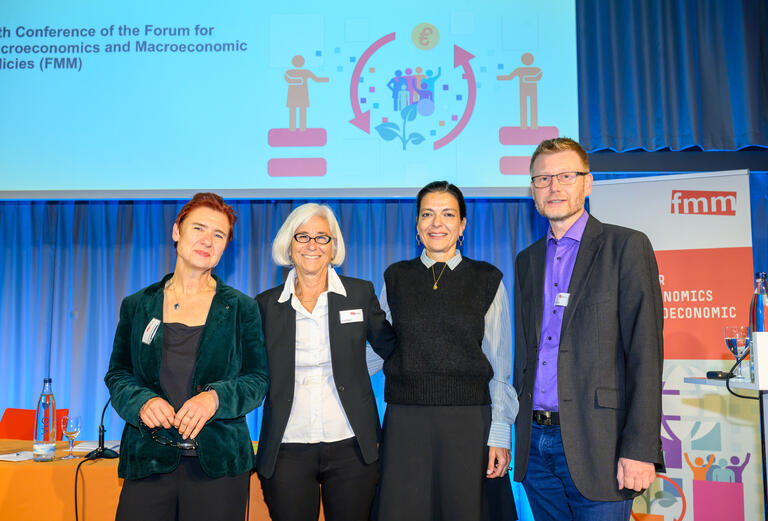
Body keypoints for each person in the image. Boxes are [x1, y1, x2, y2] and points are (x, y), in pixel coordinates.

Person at [513, 137, 665, 520]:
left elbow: (646, 354)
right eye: (543, 179)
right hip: (536, 445)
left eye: (565, 175)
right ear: (532, 189)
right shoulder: (527, 260)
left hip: (602, 444)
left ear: (588, 182)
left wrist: (640, 448)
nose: (554, 187)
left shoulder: (625, 246)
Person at [104, 193, 268, 521]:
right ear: (177, 231)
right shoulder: (138, 305)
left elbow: (257, 380)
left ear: (225, 248)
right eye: (199, 228)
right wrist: (141, 402)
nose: (207, 240)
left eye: (218, 235)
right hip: (148, 459)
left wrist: (216, 399)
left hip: (218, 467)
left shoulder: (241, 308)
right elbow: (118, 374)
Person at [374, 181, 518, 521]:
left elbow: (500, 364)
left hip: (468, 422)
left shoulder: (487, 279)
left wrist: (499, 432)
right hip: (406, 421)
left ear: (463, 224)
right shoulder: (395, 277)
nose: (436, 223)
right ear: (416, 225)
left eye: (448, 214)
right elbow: (381, 349)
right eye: (427, 214)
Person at [255, 203, 396, 521]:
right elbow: (250, 371)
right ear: (288, 246)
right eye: (302, 236)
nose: (312, 245)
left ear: (334, 247)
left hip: (351, 445)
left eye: (322, 237)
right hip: (286, 446)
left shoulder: (359, 294)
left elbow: (392, 348)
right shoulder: (264, 305)